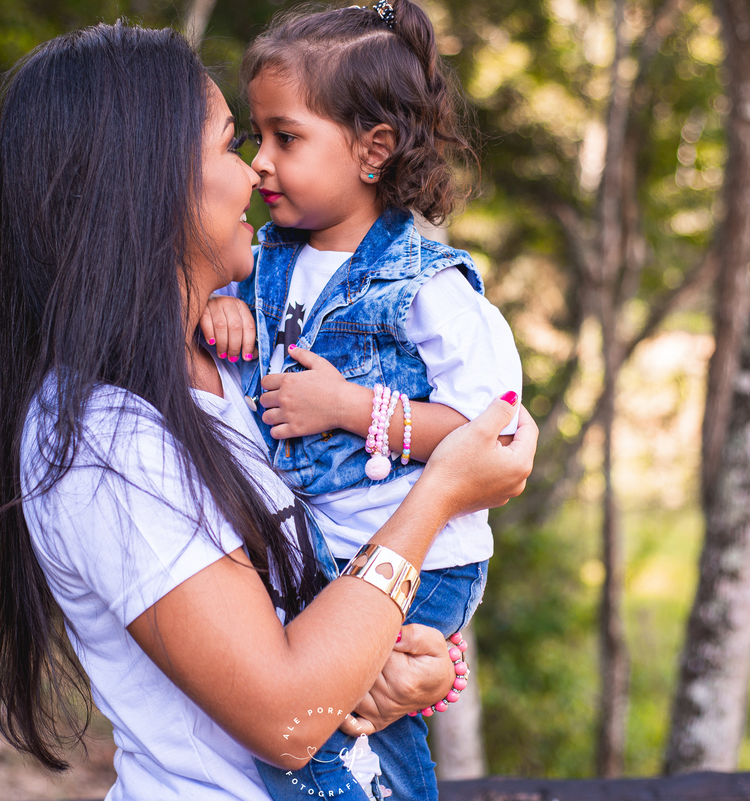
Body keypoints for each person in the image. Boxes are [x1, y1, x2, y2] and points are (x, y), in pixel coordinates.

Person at [0, 20, 536, 801]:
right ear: (144, 185)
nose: (254, 172)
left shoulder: (238, 364)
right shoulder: (101, 433)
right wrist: (440, 493)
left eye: (275, 140)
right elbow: (287, 714)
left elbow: (315, 604)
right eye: (231, 145)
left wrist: (427, 666)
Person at [198, 1, 522, 797]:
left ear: (372, 151)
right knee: (331, 719)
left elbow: (490, 429)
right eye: (255, 137)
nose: (259, 163)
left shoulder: (428, 287)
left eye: (286, 137)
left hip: (425, 562)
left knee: (329, 731)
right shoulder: (262, 261)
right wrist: (220, 310)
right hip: (327, 554)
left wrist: (353, 409)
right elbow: (232, 346)